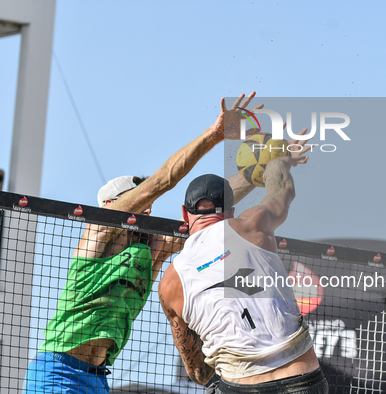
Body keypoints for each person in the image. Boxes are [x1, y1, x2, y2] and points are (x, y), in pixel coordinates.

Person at [24, 92, 263, 393]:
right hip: (58, 371)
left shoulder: (151, 249)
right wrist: (215, 134)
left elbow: (209, 213)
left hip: (98, 378)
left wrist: (259, 170)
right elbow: (164, 180)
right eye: (139, 195)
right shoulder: (99, 230)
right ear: (113, 203)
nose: (148, 204)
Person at [158, 155, 329, 393]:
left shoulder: (170, 282)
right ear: (232, 211)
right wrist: (279, 162)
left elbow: (198, 372)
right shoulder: (254, 223)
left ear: (185, 215)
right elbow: (284, 189)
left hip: (241, 386)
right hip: (302, 379)